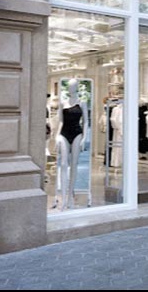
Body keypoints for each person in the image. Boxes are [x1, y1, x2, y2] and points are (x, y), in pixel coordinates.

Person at [55, 78, 88, 210]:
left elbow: (85, 121)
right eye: (69, 86)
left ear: (76, 87)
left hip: (77, 133)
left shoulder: (82, 102)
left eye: (72, 86)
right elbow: (61, 121)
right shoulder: (63, 103)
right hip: (64, 133)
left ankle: (70, 197)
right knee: (63, 164)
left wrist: (84, 138)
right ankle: (63, 198)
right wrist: (57, 135)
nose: (70, 88)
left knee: (74, 164)